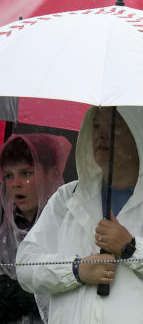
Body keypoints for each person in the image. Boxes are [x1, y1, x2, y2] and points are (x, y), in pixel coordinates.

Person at [16, 106, 143, 324]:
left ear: (140, 134)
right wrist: (76, 269)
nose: (100, 135)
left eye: (114, 126)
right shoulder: (66, 198)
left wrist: (131, 248)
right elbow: (26, 266)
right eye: (96, 126)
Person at [0, 133, 71, 324]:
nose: (15, 184)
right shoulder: (5, 231)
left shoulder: (72, 225)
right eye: (8, 175)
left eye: (26, 173)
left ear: (54, 173)